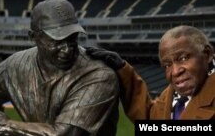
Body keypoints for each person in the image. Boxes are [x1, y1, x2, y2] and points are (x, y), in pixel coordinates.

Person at [0, 0, 119, 136]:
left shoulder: (100, 75)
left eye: (72, 38)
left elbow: (66, 134)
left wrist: (6, 126)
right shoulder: (15, 64)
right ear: (33, 37)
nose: (67, 49)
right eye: (56, 41)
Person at [86, 25, 215, 120]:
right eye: (167, 65)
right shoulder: (172, 93)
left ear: (207, 54)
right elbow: (150, 117)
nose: (175, 72)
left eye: (183, 58)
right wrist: (122, 69)